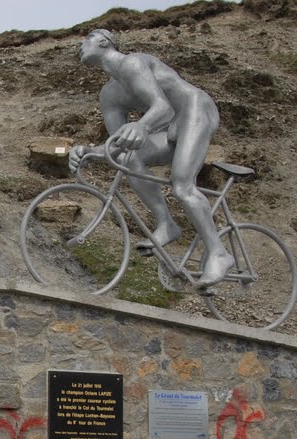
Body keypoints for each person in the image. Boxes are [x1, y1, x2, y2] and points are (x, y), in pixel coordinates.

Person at [67, 28, 234, 289]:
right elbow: (116, 147)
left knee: (182, 186)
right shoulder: (109, 95)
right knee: (128, 157)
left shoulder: (133, 62)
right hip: (169, 127)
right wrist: (87, 152)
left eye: (85, 39)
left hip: (195, 109)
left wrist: (142, 126)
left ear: (103, 41)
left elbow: (162, 106)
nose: (79, 45)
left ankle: (219, 253)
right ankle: (166, 223)